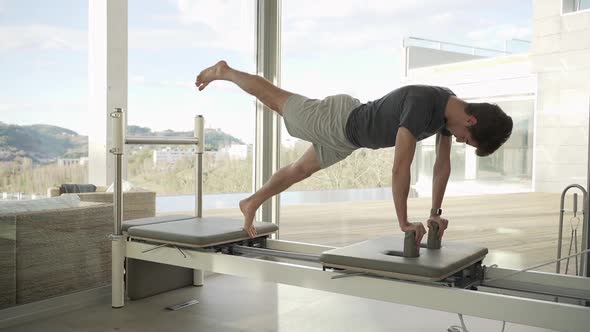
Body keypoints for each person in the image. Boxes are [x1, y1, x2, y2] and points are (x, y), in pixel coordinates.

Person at [195, 60, 513, 246]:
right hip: (337, 120)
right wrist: (403, 222)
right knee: (275, 98)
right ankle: (225, 71)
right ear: (471, 120)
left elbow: (443, 167)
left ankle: (250, 203)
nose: (460, 142)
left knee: (298, 171)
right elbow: (401, 166)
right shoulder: (422, 103)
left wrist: (435, 212)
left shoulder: (448, 114)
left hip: (346, 140)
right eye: (467, 139)